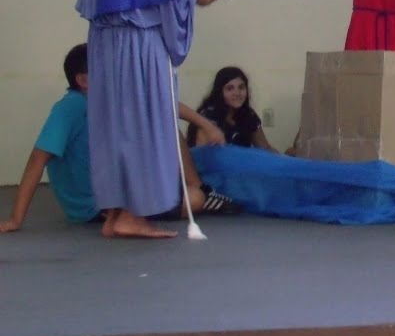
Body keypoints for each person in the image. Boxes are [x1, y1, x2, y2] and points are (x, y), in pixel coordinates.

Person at [74, 0, 218, 239]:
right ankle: (132, 214)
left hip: (107, 45)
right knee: (142, 125)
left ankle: (116, 213)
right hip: (137, 45)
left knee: (117, 126)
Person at [1, 44, 238, 233]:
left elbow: (161, 103)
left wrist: (205, 124)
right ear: (83, 81)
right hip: (95, 205)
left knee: (169, 128)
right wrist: (15, 219)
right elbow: (38, 159)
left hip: (117, 189)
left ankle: (198, 187)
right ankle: (197, 193)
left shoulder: (108, 100)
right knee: (195, 200)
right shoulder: (71, 108)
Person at [187, 66, 278, 151]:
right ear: (220, 92)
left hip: (243, 163)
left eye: (241, 87)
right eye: (230, 88)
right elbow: (202, 156)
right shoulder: (208, 116)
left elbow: (265, 148)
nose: (237, 93)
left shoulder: (250, 115)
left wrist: (283, 160)